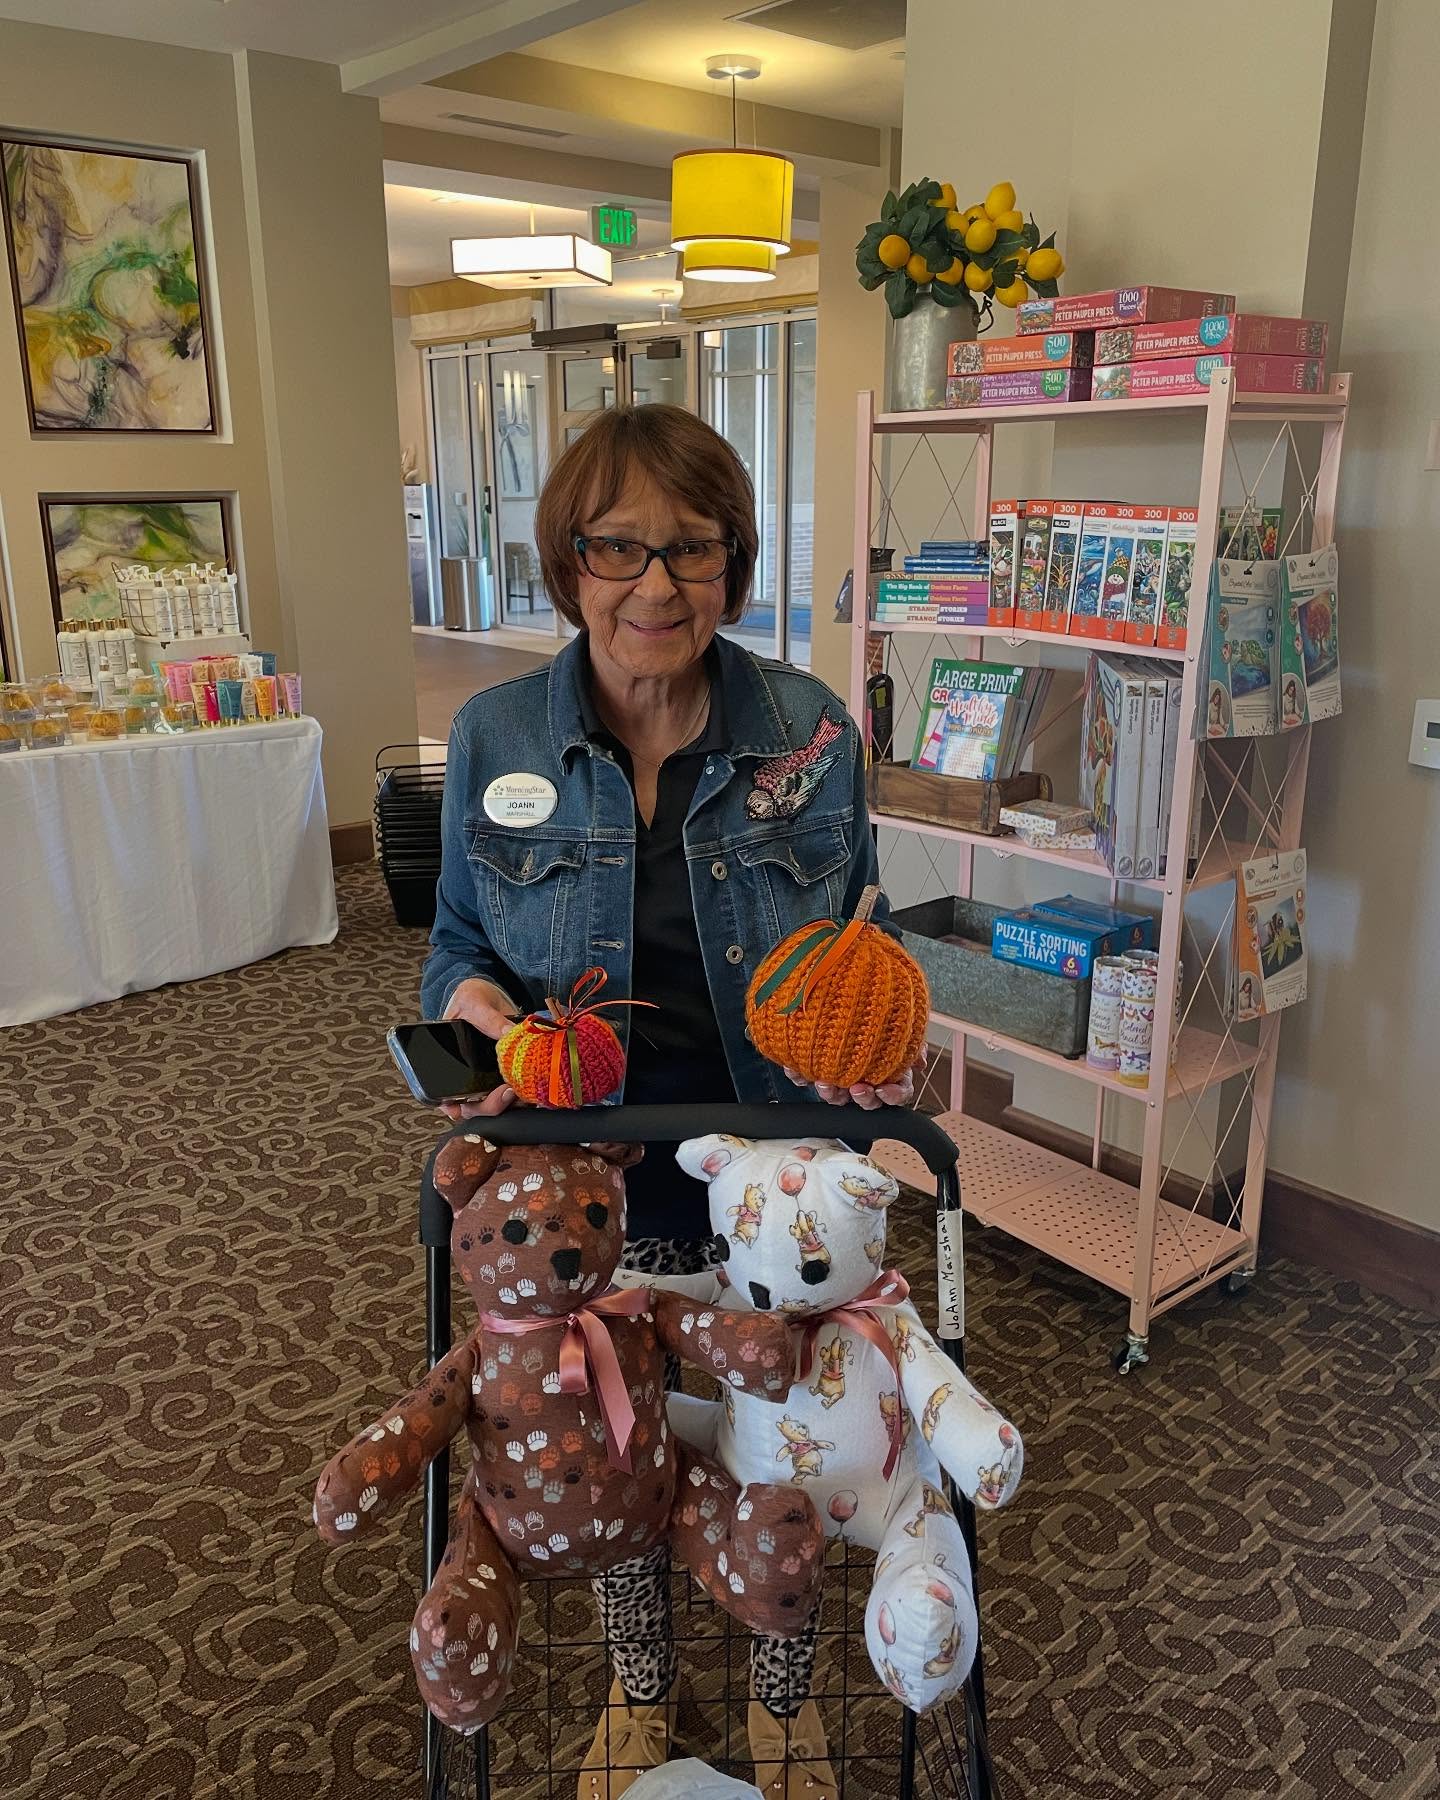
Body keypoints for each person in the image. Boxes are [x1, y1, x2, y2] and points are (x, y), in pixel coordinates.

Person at [420, 404, 921, 1800]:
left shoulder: (808, 734)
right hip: (589, 1189)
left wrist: (876, 1044)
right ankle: (641, 1688)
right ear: (568, 562)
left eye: (692, 549)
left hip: (772, 1186)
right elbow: (458, 945)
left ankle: (781, 1698)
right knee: (609, 1450)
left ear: (736, 563)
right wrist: (474, 1012)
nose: (656, 585)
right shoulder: (494, 734)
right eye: (618, 547)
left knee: (783, 1449)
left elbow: (861, 933)